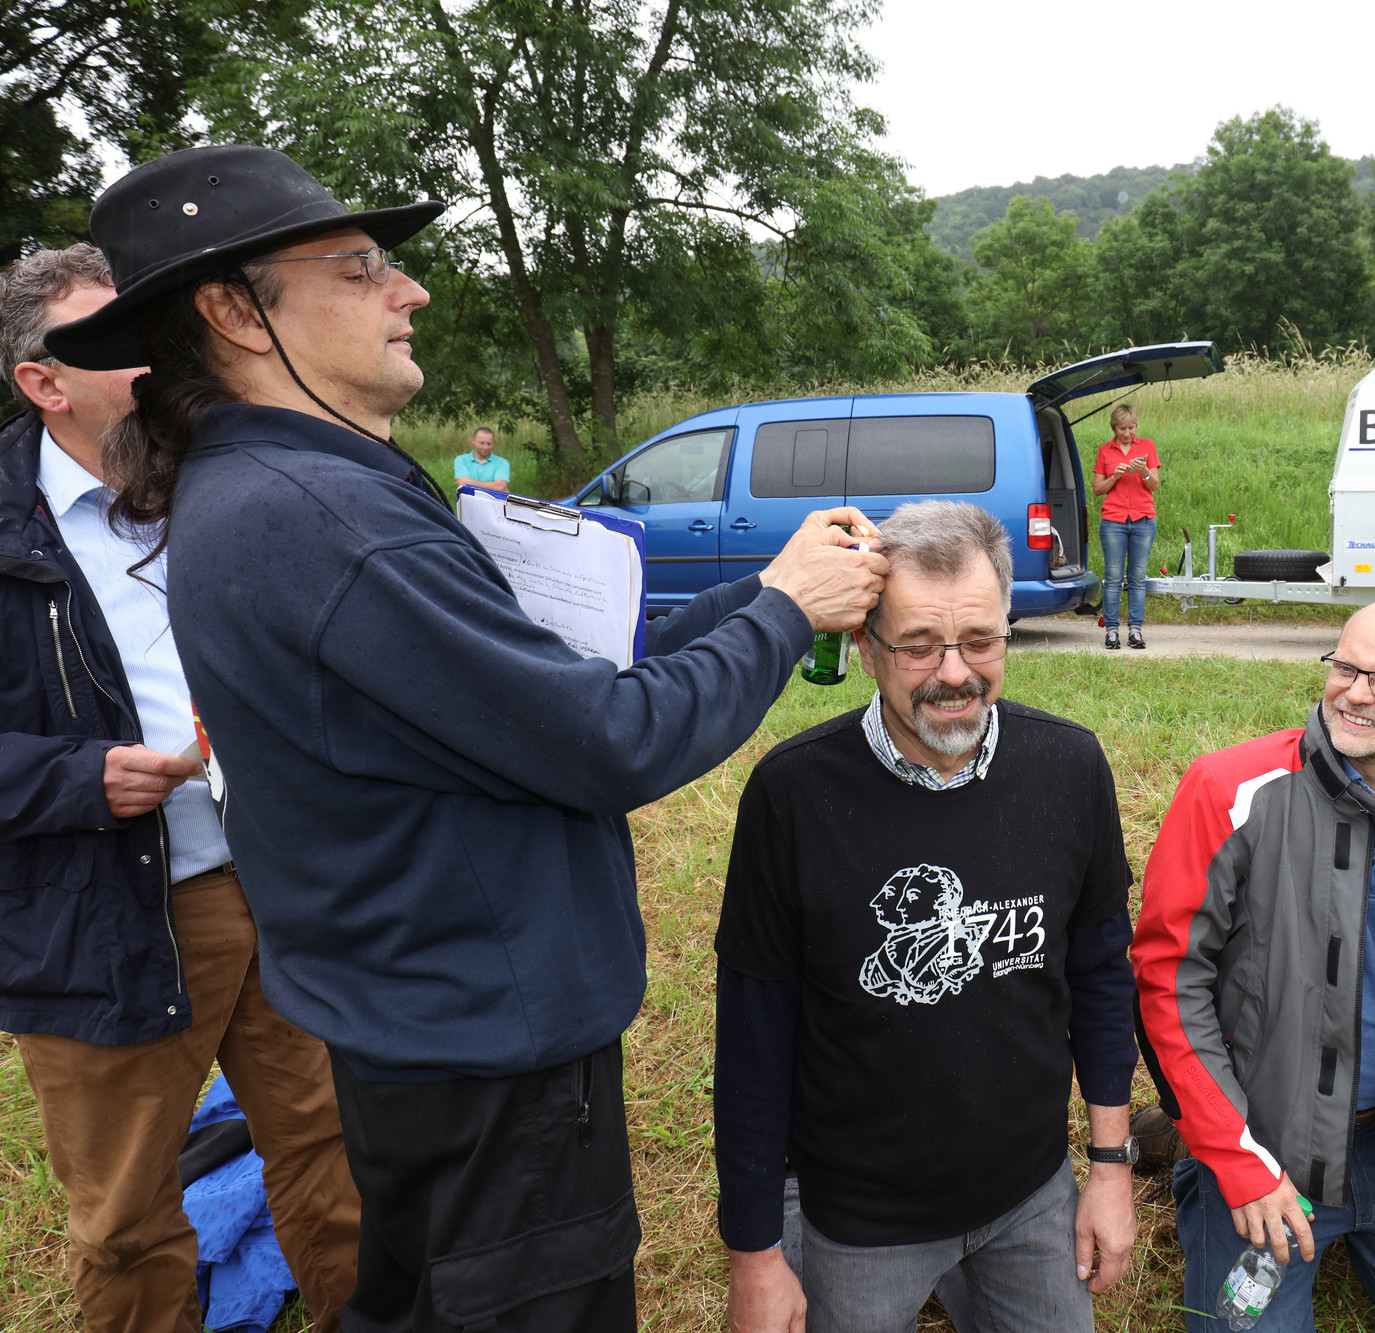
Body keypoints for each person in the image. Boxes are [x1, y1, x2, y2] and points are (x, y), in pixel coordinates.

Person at [44, 143, 886, 1333]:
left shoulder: (286, 489)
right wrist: (787, 611)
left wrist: (759, 594)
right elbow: (607, 738)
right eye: (358, 266)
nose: (409, 289)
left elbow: (531, 689)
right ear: (235, 312)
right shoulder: (327, 518)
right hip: (492, 1063)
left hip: (420, 1030)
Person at [1, 244, 359, 1330]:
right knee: (126, 1219)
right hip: (101, 913)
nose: (156, 359)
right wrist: (71, 776)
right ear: (44, 383)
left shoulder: (227, 475)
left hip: (284, 882)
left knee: (335, 1158)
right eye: (114, 341)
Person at [712, 500, 1139, 1333]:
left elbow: (1100, 972)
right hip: (857, 1215)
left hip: (1030, 1191)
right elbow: (754, 1041)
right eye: (918, 645)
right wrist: (756, 1254)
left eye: (980, 640)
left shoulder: (1070, 766)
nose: (955, 672)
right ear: (867, 650)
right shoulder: (793, 795)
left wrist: (1113, 1166)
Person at [1132, 598, 1375, 1333]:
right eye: (1346, 666)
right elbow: (1166, 980)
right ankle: (1201, 1172)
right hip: (1269, 1140)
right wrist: (1239, 1157)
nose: (1355, 691)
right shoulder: (1230, 789)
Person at [1090, 402, 1160, 651]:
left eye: (1131, 428)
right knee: (1113, 578)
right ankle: (1111, 631)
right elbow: (1098, 489)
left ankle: (1135, 630)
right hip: (1113, 521)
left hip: (1142, 519)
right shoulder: (1105, 451)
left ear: (1136, 426)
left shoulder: (1147, 447)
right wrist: (1115, 476)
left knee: (1137, 577)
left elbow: (1155, 485)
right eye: (1122, 428)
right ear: (1114, 427)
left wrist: (1143, 472)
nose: (1127, 433)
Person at [452, 425, 509, 492]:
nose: (485, 447)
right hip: (468, 502)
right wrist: (494, 486)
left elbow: (500, 487)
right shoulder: (461, 460)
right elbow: (462, 484)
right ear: (473, 441)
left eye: (489, 444)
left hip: (493, 502)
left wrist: (469, 482)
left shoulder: (502, 463)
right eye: (482, 443)